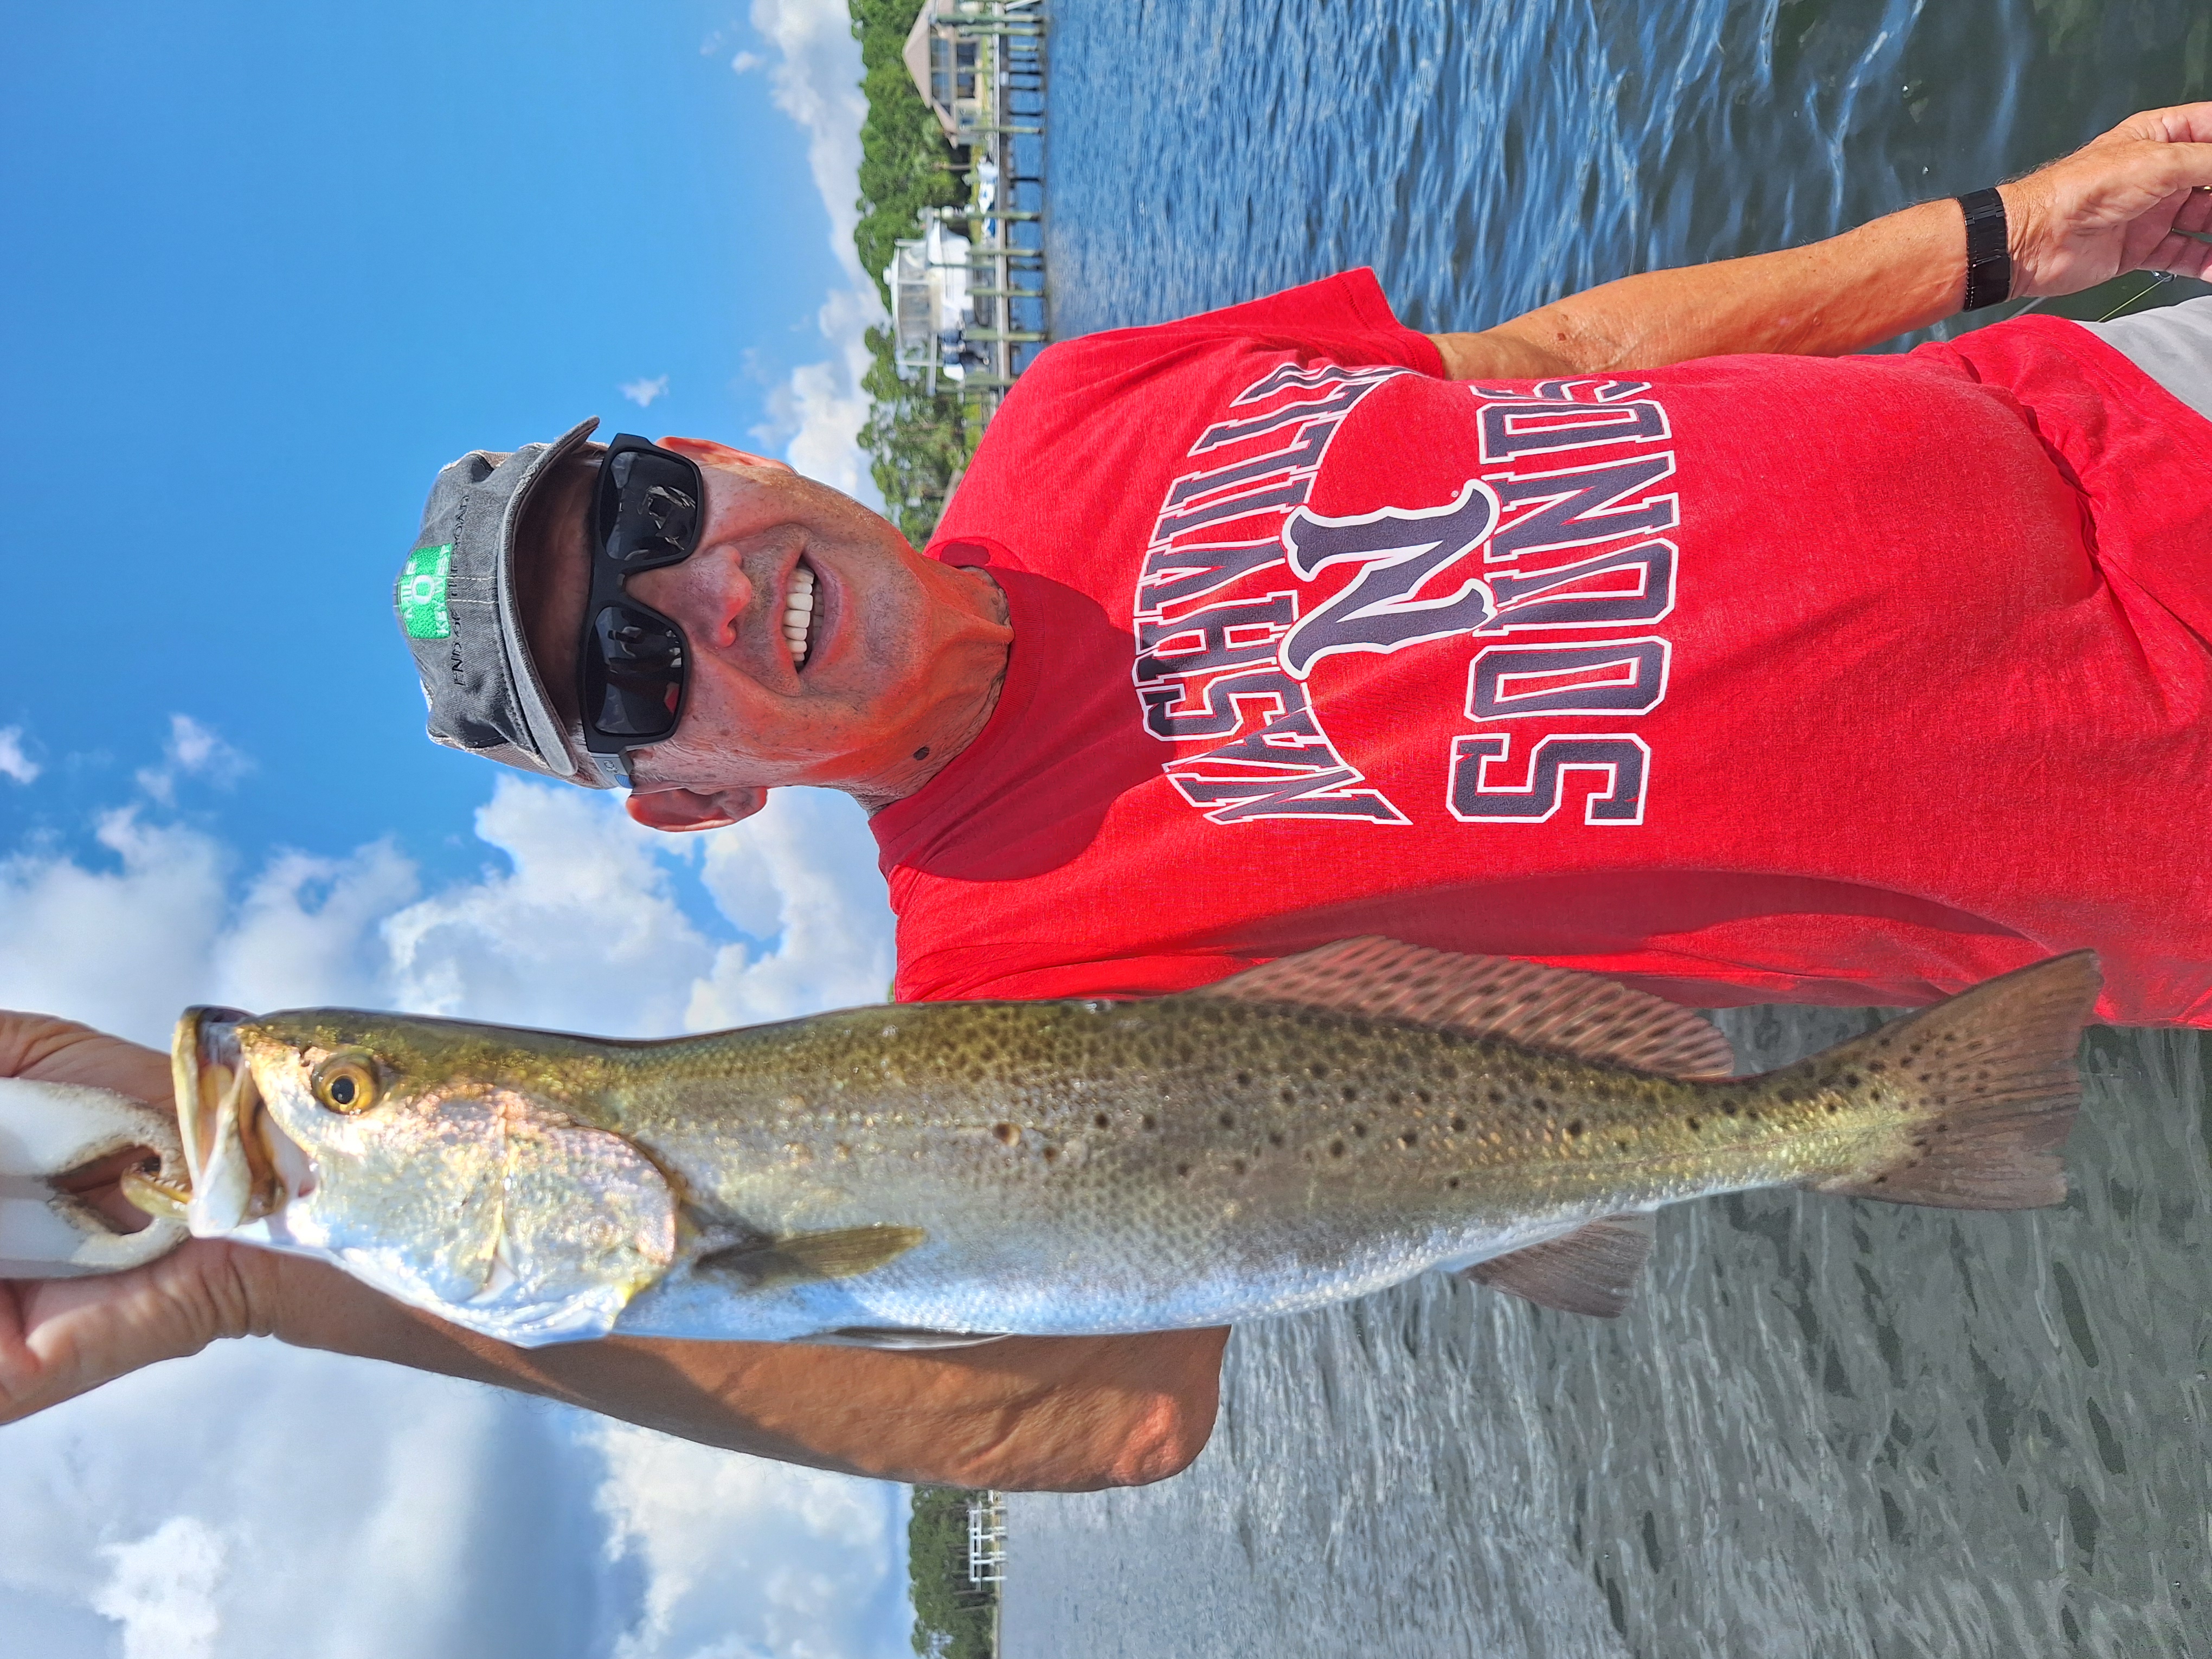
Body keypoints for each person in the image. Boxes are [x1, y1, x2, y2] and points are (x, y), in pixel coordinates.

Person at [6, 105, 2212, 1491]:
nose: (701, 590)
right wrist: (265, 1277)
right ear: (686, 806)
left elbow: (1551, 363)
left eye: (656, 510)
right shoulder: (1004, 989)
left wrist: (2021, 227)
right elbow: (1110, 1410)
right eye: (630, 671)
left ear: (732, 458)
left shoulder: (1077, 405)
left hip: (2114, 389)